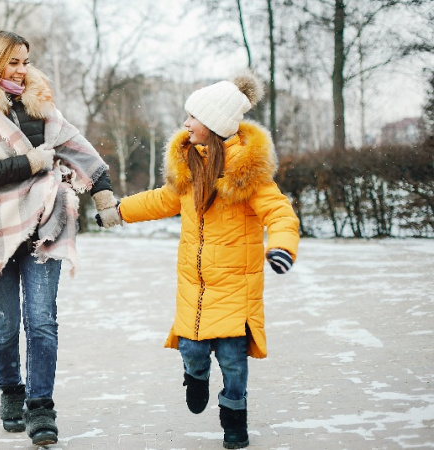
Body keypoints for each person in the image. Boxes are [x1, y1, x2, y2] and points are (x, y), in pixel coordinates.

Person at [0, 30, 121, 446]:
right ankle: (10, 391)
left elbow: (79, 148)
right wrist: (32, 161)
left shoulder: (40, 105)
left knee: (41, 322)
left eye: (26, 61)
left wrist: (103, 190)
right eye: (13, 62)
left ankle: (41, 408)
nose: (22, 70)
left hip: (45, 228)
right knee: (5, 326)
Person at [113, 72, 300, 449]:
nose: (185, 124)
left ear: (213, 125)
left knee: (233, 361)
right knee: (192, 349)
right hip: (195, 289)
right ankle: (195, 376)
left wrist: (281, 246)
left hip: (235, 289)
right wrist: (119, 210)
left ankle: (234, 416)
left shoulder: (249, 178)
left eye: (192, 117)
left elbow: (280, 214)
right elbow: (161, 200)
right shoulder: (189, 167)